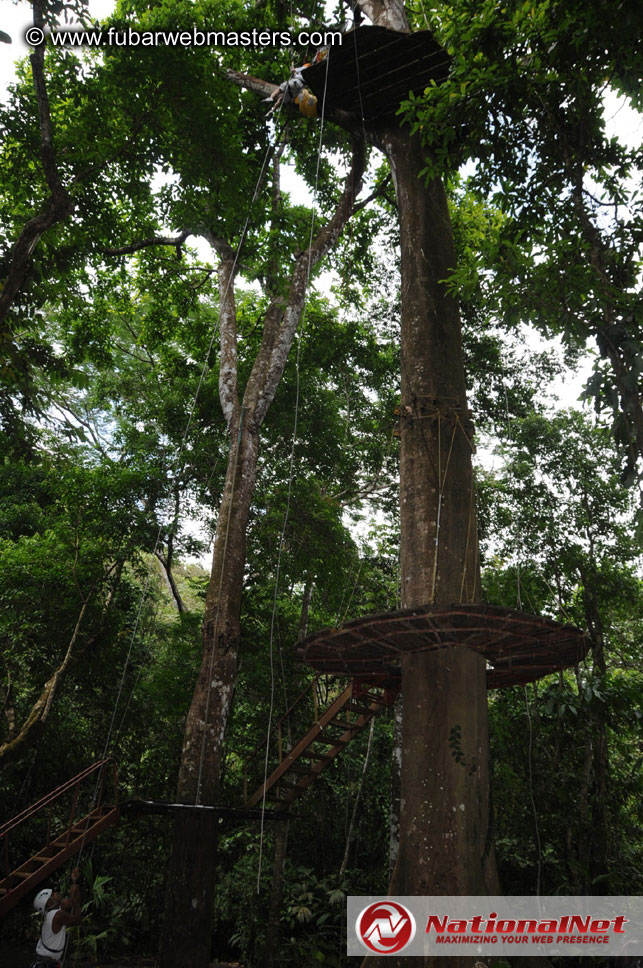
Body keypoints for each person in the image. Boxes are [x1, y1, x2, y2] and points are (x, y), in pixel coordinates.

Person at [31, 867, 82, 968]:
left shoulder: (53, 912)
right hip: (46, 964)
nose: (56, 893)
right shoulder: (57, 915)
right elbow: (77, 920)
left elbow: (73, 902)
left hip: (45, 963)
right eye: (53, 894)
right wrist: (73, 898)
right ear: (49, 902)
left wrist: (75, 882)